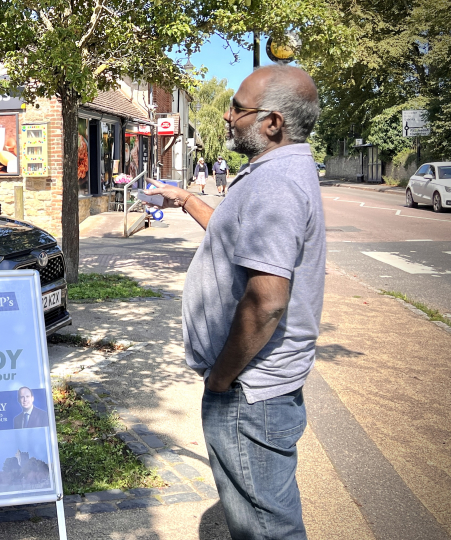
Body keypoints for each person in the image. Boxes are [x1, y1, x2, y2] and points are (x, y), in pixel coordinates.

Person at [144, 64, 325, 540]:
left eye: (239, 109)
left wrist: (222, 378)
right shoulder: (275, 171)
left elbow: (266, 301)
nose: (226, 116)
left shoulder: (275, 184)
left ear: (273, 123)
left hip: (248, 391)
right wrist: (185, 199)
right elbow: (235, 236)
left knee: (266, 528)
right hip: (255, 388)